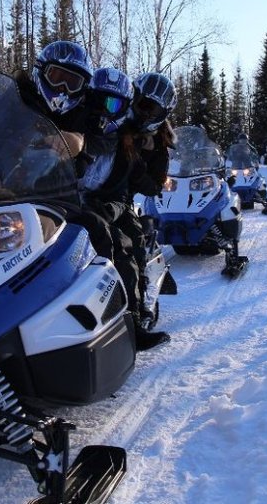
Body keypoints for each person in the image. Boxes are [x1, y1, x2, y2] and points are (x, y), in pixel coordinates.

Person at [83, 69, 177, 351]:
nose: (142, 111)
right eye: (139, 102)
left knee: (130, 244)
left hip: (118, 200)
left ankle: (133, 320)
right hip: (81, 194)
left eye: (150, 107)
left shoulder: (158, 142)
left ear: (161, 113)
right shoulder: (114, 117)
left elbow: (153, 182)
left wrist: (143, 163)